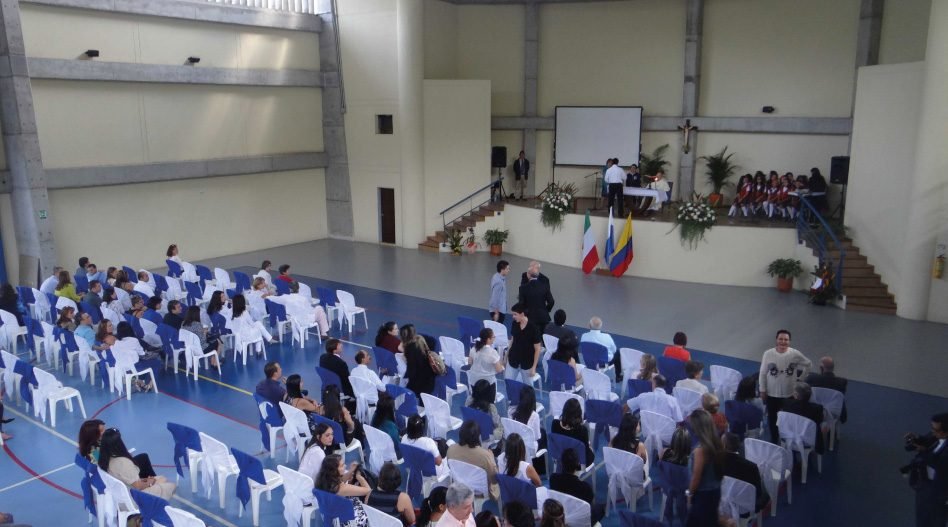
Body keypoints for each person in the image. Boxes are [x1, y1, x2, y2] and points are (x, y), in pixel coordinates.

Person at [758, 329, 811, 443]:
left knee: (788, 418)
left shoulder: (795, 354)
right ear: (776, 340)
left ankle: (787, 440)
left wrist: (800, 379)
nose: (783, 342)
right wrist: (762, 390)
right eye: (780, 339)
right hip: (772, 393)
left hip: (789, 393)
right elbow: (762, 373)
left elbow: (808, 364)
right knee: (772, 418)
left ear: (789, 341)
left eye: (786, 339)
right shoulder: (768, 354)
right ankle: (774, 439)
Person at [98, 428, 176, 500]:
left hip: (123, 494)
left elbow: (128, 479)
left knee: (161, 478)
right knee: (170, 485)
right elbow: (138, 486)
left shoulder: (104, 460)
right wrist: (150, 482)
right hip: (135, 497)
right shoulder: (123, 462)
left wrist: (145, 480)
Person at [905, 412, 948, 527]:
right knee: (922, 519)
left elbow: (940, 465)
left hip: (939, 492)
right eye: (932, 428)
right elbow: (925, 440)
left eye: (936, 430)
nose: (932, 432)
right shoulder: (935, 435)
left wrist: (924, 452)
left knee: (936, 521)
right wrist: (916, 439)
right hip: (925, 486)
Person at [685, 409, 724, 527]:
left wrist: (690, 494)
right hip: (715, 491)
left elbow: (696, 477)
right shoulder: (718, 443)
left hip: (703, 496)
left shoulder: (700, 450)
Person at [549, 448, 605, 525]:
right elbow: (587, 508)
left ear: (561, 463)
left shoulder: (553, 479)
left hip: (560, 513)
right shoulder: (585, 488)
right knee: (601, 508)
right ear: (578, 465)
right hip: (579, 520)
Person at [447, 421, 499, 500]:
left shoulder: (451, 449)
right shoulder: (485, 456)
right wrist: (492, 460)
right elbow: (495, 480)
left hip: (460, 486)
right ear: (478, 436)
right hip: (480, 492)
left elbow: (451, 467)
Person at [314, 455, 370, 527]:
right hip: (347, 521)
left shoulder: (323, 482)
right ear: (334, 470)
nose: (345, 466)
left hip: (331, 517)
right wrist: (359, 477)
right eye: (342, 465)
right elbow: (368, 490)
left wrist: (351, 471)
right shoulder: (341, 488)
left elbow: (341, 480)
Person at [721, 432, 770, 514]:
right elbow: (758, 493)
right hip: (746, 507)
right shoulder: (752, 467)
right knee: (766, 491)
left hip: (724, 501)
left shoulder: (715, 463)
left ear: (724, 446)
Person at [782, 382, 825, 454]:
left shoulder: (786, 404)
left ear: (796, 395)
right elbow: (819, 421)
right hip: (808, 439)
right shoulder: (817, 408)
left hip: (789, 435)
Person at [505, 303, 542, 384]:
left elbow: (537, 349)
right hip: (513, 360)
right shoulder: (514, 323)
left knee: (528, 387)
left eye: (515, 314)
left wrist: (534, 367)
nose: (513, 316)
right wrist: (506, 356)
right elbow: (512, 340)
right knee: (508, 383)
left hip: (527, 363)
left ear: (522, 314)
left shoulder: (534, 328)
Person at [552, 398, 594, 466]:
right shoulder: (582, 430)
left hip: (561, 456)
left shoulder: (554, 424)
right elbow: (585, 451)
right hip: (577, 463)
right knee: (591, 452)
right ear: (579, 413)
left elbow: (555, 443)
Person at [805, 356, 848, 423]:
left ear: (821, 368)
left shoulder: (812, 378)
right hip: (833, 413)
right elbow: (839, 399)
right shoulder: (842, 382)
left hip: (813, 412)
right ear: (833, 368)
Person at [323, 384, 366, 448]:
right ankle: (362, 445)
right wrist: (351, 429)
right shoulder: (341, 410)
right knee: (355, 422)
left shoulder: (321, 409)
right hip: (343, 442)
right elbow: (349, 423)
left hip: (329, 441)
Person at [518, 265, 554, 332]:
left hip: (530, 318)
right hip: (543, 318)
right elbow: (551, 302)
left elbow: (521, 304)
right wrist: (546, 310)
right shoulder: (545, 287)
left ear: (528, 275)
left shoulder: (523, 288)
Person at [405, 334, 437, 403]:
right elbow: (435, 373)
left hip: (411, 386)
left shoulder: (410, 356)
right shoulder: (430, 360)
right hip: (425, 389)